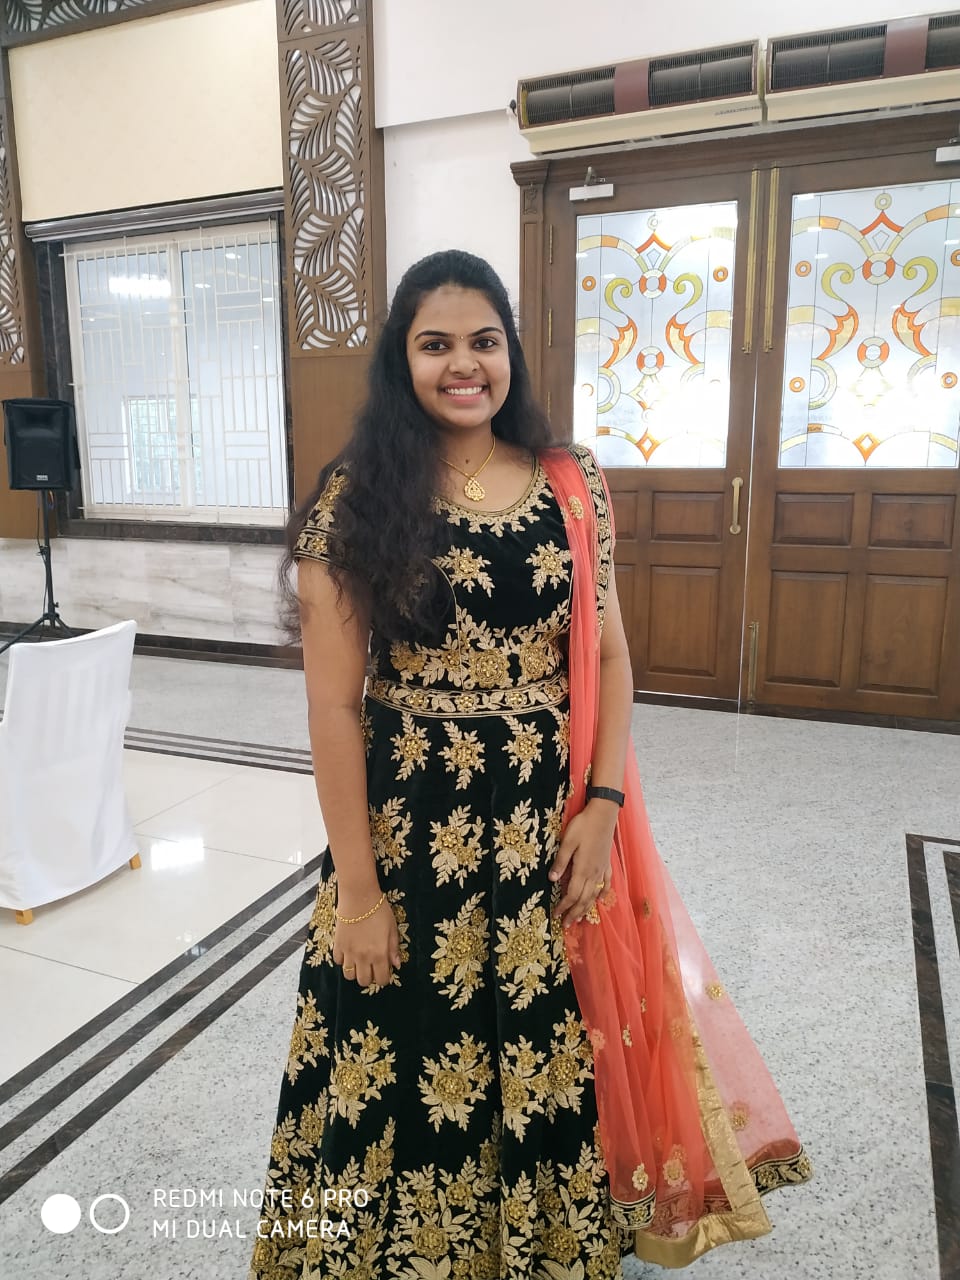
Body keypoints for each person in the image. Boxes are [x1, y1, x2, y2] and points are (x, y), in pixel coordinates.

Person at [249, 250, 810, 1280]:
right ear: (400, 359)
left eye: (484, 341)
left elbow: (610, 655)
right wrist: (359, 893)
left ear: (511, 350)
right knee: (408, 1046)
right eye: (436, 344)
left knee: (549, 1041)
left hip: (544, 827)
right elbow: (332, 707)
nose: (464, 365)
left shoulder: (570, 479)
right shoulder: (357, 498)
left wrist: (603, 805)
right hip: (412, 831)